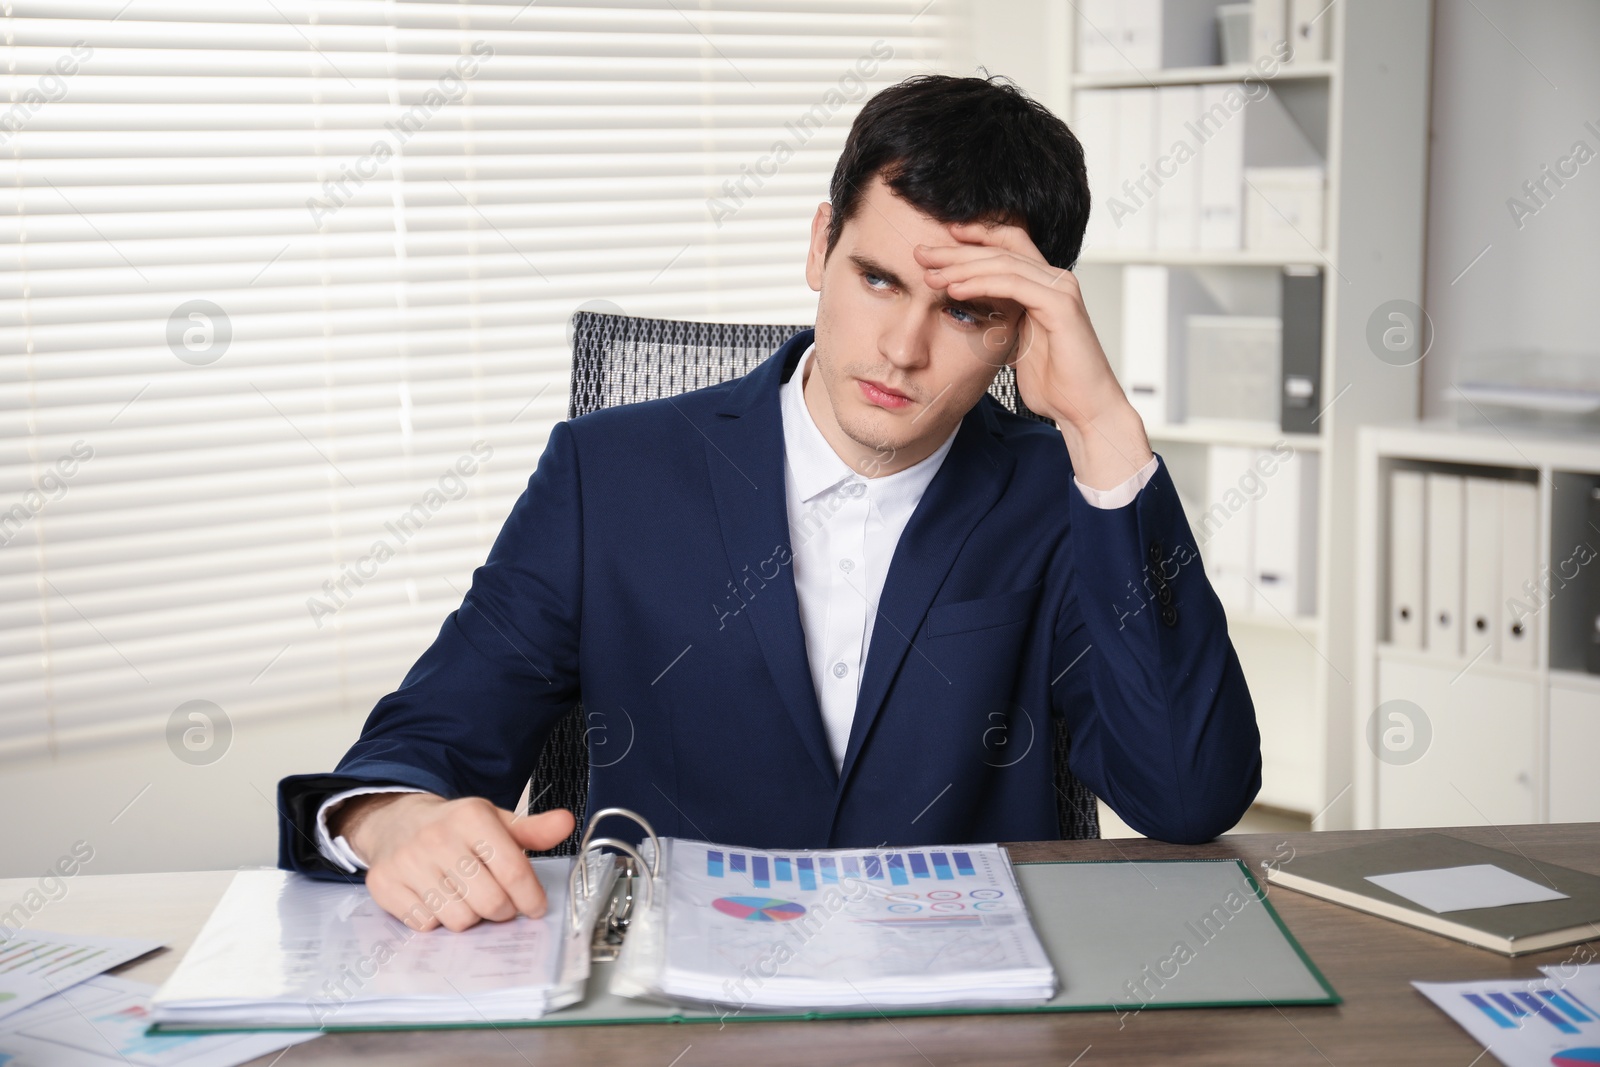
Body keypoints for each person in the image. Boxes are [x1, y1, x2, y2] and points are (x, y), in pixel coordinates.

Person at [277, 73, 1261, 933]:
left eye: (966, 311)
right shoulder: (604, 474)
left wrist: (1104, 431)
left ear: (1026, 326)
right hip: (662, 1009)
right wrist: (391, 819)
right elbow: (425, 739)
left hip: (960, 1013)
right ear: (820, 243)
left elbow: (1186, 794)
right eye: (876, 279)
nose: (903, 349)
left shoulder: (1068, 494)